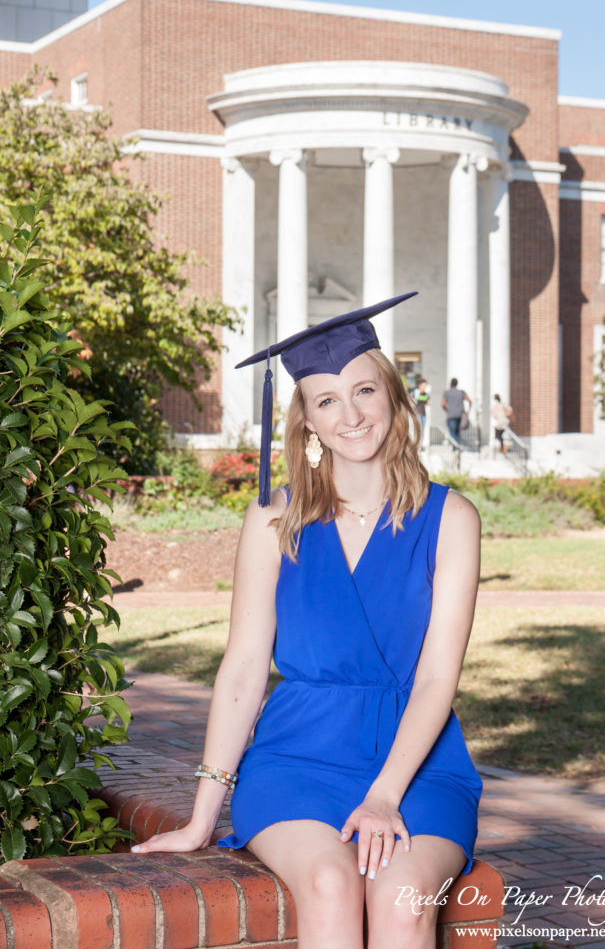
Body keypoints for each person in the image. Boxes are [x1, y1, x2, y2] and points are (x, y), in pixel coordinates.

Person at [132, 292, 482, 949]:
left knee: (403, 903)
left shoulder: (451, 520)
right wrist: (201, 815)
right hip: (297, 758)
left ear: (394, 397)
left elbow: (437, 678)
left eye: (364, 391)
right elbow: (241, 669)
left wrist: (383, 794)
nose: (350, 415)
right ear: (307, 424)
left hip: (417, 764)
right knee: (327, 883)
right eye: (326, 401)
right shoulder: (272, 522)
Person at [441, 378, 471, 444]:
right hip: (459, 415)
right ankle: (457, 447)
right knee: (457, 433)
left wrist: (447, 410)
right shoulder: (461, 392)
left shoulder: (447, 393)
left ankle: (455, 448)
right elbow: (469, 401)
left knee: (452, 433)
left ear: (450, 384)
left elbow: (443, 404)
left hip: (451, 416)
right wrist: (468, 411)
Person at [413, 376, 430, 446]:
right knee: (418, 430)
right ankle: (416, 444)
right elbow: (412, 402)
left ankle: (420, 444)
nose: (425, 387)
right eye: (424, 385)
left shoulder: (426, 394)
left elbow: (427, 403)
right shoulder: (415, 392)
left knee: (422, 430)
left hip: (424, 414)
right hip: (417, 413)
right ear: (420, 385)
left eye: (425, 386)